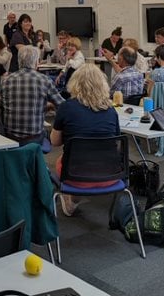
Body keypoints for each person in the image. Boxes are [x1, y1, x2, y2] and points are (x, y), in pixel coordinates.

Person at [50, 64, 121, 216]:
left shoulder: (66, 107)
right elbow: (115, 141)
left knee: (62, 160)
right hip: (111, 174)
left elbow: (55, 142)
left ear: (75, 83)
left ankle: (72, 202)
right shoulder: (111, 110)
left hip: (75, 175)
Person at [0, 46, 65, 145]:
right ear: (36, 62)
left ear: (19, 61)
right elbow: (63, 106)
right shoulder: (44, 80)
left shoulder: (5, 80)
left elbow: (5, 105)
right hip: (34, 137)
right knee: (49, 133)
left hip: (10, 137)